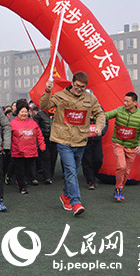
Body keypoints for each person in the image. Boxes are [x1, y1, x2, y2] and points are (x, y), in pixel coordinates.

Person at [40, 72, 105, 216]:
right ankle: (76, 202)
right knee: (70, 171)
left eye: (82, 87)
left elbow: (100, 113)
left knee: (73, 171)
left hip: (81, 140)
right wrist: (47, 91)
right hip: (63, 139)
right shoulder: (60, 96)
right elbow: (44, 105)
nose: (79, 89)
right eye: (77, 86)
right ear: (72, 82)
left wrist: (99, 126)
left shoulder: (90, 98)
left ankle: (65, 195)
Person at [105, 92, 140, 202]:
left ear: (135, 102)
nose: (125, 103)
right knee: (121, 166)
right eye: (124, 101)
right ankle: (118, 189)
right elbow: (106, 115)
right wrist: (95, 115)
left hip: (132, 147)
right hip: (119, 143)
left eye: (127, 101)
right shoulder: (119, 110)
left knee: (126, 171)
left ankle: (118, 187)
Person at [10, 102, 45, 194]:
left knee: (27, 168)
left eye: (26, 112)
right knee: (20, 169)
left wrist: (42, 146)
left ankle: (22, 181)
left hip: (31, 151)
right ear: (18, 112)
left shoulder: (33, 123)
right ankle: (22, 187)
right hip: (18, 151)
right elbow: (8, 136)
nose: (24, 114)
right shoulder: (12, 123)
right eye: (22, 112)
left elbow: (39, 135)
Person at [82, 109, 108, 190]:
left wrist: (102, 131)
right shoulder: (82, 106)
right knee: (87, 161)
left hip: (97, 140)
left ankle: (93, 175)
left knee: (98, 159)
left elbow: (105, 121)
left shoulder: (98, 108)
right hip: (85, 140)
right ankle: (90, 181)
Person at [32, 106, 56, 184]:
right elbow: (36, 126)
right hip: (44, 139)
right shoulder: (40, 114)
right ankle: (47, 176)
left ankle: (50, 175)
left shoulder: (57, 113)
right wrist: (41, 132)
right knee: (46, 158)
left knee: (53, 158)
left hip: (55, 139)